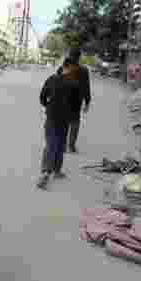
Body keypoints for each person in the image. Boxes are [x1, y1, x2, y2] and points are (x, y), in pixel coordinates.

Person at [37, 59, 81, 188]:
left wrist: (48, 106)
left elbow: (42, 97)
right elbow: (76, 105)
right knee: (60, 143)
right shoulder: (74, 84)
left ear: (63, 67)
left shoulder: (52, 79)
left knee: (51, 143)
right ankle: (56, 170)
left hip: (51, 116)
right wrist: (72, 117)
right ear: (71, 68)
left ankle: (46, 171)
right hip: (65, 119)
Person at [65, 48, 92, 153]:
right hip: (77, 100)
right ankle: (71, 146)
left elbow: (56, 83)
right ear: (79, 58)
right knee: (75, 123)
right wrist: (87, 102)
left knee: (64, 123)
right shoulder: (84, 70)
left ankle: (62, 145)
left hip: (64, 99)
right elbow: (86, 87)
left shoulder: (65, 68)